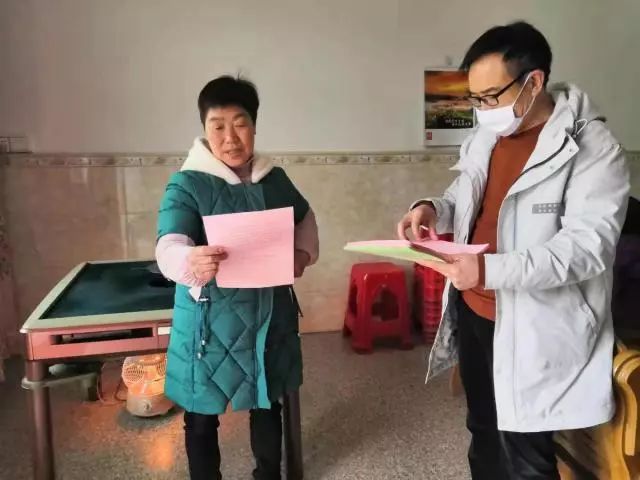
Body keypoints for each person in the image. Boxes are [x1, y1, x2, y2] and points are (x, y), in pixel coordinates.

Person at [397, 21, 629, 479]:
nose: (483, 110)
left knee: (526, 452)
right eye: (475, 99)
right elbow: (466, 196)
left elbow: (587, 249)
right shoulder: (487, 137)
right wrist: (433, 209)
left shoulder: (592, 149)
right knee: (483, 429)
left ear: (533, 82)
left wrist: (488, 270)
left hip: (534, 322)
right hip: (475, 311)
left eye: (490, 96)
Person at [155, 75, 319, 480]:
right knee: (201, 413)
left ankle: (268, 474)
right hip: (210, 323)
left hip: (268, 317)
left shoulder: (273, 178)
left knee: (267, 402)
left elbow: (304, 217)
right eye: (218, 126)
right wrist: (190, 260)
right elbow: (168, 245)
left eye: (240, 124)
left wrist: (302, 255)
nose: (230, 138)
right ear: (205, 129)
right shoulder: (187, 183)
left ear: (255, 127)